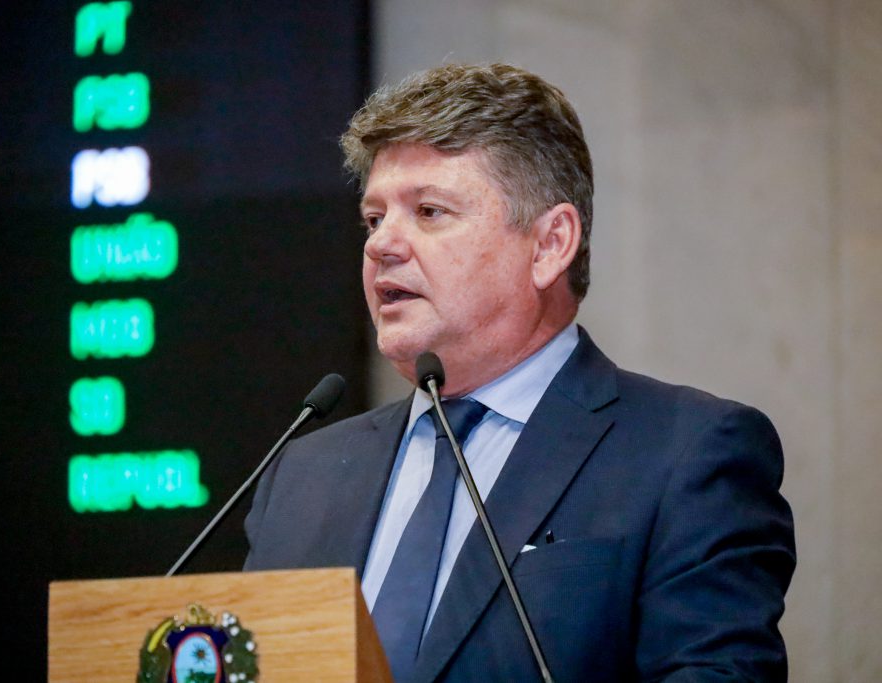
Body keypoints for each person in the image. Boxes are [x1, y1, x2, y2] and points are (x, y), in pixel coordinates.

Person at [243, 63, 796, 682]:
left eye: (429, 211)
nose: (380, 245)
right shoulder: (303, 477)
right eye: (374, 219)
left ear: (550, 244)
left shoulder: (686, 455)